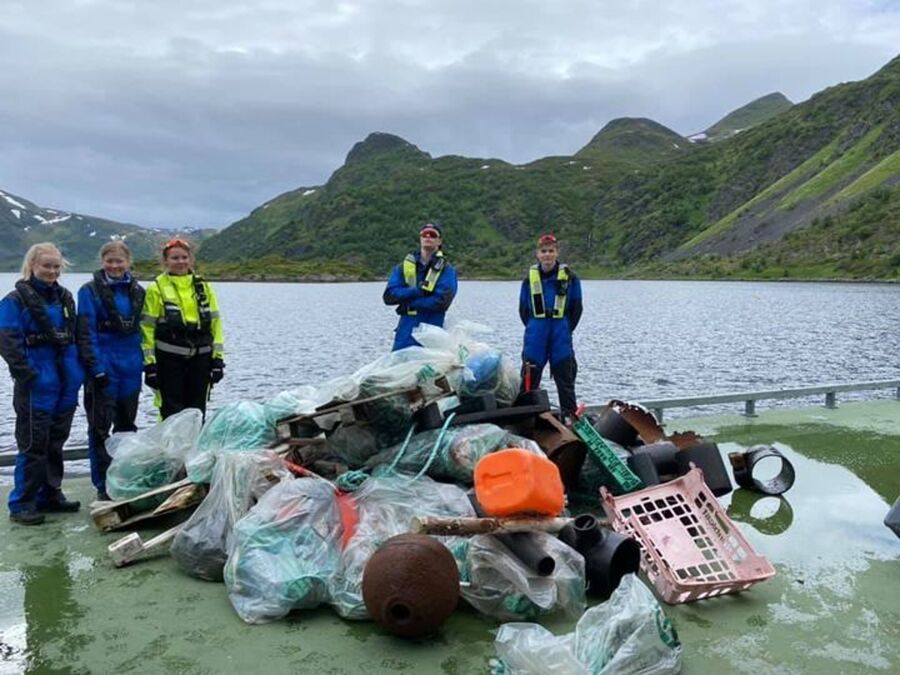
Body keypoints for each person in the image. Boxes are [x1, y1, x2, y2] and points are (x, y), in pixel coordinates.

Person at [0, 243, 84, 525]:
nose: (51, 271)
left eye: (56, 266)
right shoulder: (15, 301)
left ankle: (50, 493)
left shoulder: (65, 297)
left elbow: (73, 336)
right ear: (32, 266)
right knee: (33, 444)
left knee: (56, 441)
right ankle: (22, 502)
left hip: (64, 380)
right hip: (37, 381)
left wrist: (76, 373)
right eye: (46, 265)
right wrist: (26, 373)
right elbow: (8, 339)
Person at [76, 241, 145, 501]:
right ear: (102, 262)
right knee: (99, 429)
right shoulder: (89, 291)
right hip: (103, 368)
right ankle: (103, 485)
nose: (114, 266)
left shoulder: (138, 291)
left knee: (127, 427)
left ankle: (124, 479)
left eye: (119, 261)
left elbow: (144, 330)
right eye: (109, 261)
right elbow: (85, 332)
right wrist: (95, 368)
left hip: (130, 368)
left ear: (128, 262)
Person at [140, 238, 224, 419]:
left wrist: (217, 361)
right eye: (175, 258)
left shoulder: (204, 287)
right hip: (169, 361)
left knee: (197, 411)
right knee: (171, 411)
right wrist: (150, 365)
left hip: (201, 360)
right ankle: (170, 447)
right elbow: (147, 329)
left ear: (191, 259)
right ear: (165, 261)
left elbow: (215, 324)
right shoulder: (156, 289)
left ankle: (193, 445)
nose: (180, 262)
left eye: (184, 257)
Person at [519, 233, 583, 420]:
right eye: (543, 251)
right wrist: (535, 325)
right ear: (537, 254)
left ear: (557, 253)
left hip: (560, 332)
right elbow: (523, 310)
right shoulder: (528, 280)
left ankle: (570, 421)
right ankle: (526, 422)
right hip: (536, 333)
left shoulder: (571, 278)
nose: (547, 255)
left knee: (565, 381)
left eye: (551, 251)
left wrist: (565, 327)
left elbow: (577, 308)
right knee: (529, 382)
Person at [383, 222, 458, 351]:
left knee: (430, 369)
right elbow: (389, 296)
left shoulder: (447, 270)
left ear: (439, 241)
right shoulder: (402, 268)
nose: (428, 237)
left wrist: (408, 303)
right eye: (424, 234)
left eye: (433, 235)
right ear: (420, 239)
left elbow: (442, 301)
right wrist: (417, 291)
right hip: (405, 333)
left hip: (432, 332)